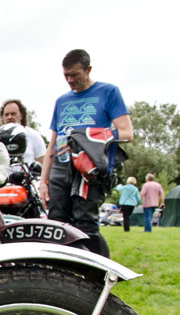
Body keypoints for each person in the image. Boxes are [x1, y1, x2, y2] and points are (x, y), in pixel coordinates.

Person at [40, 49, 133, 257]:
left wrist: (83, 137)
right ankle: (60, 275)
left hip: (88, 168)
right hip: (60, 166)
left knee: (85, 223)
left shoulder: (109, 92)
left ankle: (97, 279)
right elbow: (52, 144)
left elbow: (127, 133)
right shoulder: (61, 101)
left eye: (75, 74)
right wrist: (43, 182)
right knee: (56, 223)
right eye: (66, 76)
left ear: (88, 69)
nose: (70, 80)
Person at [0, 99, 47, 165]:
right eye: (6, 115)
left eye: (13, 114)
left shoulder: (33, 135)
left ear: (21, 115)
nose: (9, 117)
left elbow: (43, 162)